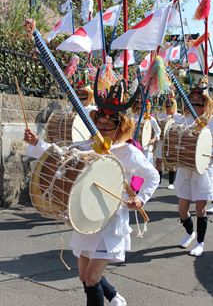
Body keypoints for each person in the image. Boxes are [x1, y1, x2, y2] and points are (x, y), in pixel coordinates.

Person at [24, 88, 159, 306]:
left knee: (91, 278)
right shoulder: (89, 146)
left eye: (109, 126)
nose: (103, 130)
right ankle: (114, 296)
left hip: (111, 218)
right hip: (86, 214)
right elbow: (61, 153)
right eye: (100, 125)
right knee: (84, 276)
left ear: (120, 127)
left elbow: (152, 176)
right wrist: (37, 143)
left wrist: (141, 198)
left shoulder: (129, 152)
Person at [174, 86, 213, 257]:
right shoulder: (184, 119)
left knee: (200, 209)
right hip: (185, 168)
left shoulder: (211, 120)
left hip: (203, 169)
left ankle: (200, 243)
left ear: (206, 103)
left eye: (200, 101)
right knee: (182, 209)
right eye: (193, 100)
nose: (195, 103)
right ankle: (190, 233)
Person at [155, 95, 182, 189]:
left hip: (171, 142)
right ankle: (158, 181)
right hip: (161, 140)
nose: (168, 107)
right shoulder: (162, 115)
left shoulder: (179, 116)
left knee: (171, 162)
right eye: (166, 105)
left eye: (170, 105)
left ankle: (171, 183)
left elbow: (179, 129)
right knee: (158, 160)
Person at [131, 90, 161, 165]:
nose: (139, 105)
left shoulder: (150, 119)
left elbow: (158, 131)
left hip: (146, 147)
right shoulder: (132, 118)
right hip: (135, 146)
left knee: (146, 166)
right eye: (137, 103)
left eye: (141, 103)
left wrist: (153, 139)